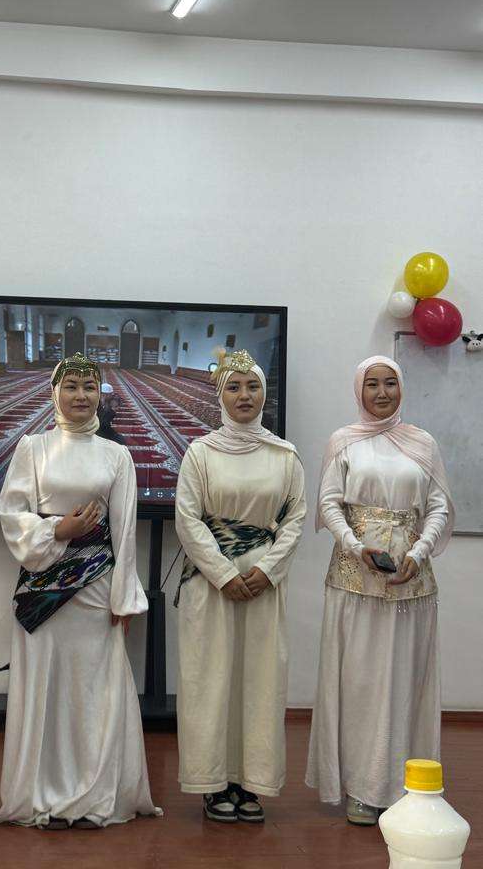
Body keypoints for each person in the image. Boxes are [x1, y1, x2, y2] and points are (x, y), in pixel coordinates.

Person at [0, 353, 160, 830]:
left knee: (92, 694)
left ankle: (93, 796)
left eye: (89, 386)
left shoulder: (116, 455)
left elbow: (124, 531)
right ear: (55, 392)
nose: (81, 395)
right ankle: (43, 794)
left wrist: (124, 597)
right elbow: (12, 512)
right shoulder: (32, 448)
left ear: (101, 394)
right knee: (47, 687)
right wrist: (57, 530)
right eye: (71, 386)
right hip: (43, 589)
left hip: (96, 588)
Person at [305, 356, 453, 825]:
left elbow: (438, 506)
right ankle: (362, 789)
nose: (382, 392)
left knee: (405, 683)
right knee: (360, 683)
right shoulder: (344, 442)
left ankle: (404, 784)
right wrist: (355, 546)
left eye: (391, 383)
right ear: (359, 390)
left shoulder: (423, 444)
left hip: (411, 582)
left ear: (402, 388)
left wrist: (420, 552)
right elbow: (329, 503)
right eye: (372, 384)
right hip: (355, 579)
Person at [174, 349, 306, 823]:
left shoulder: (284, 456)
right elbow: (188, 519)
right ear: (220, 395)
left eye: (252, 386)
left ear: (264, 394)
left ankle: (252, 782)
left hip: (263, 584)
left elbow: (295, 520)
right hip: (211, 584)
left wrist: (267, 570)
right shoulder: (200, 453)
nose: (244, 395)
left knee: (259, 681)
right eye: (234, 387)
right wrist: (224, 574)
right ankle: (213, 782)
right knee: (210, 680)